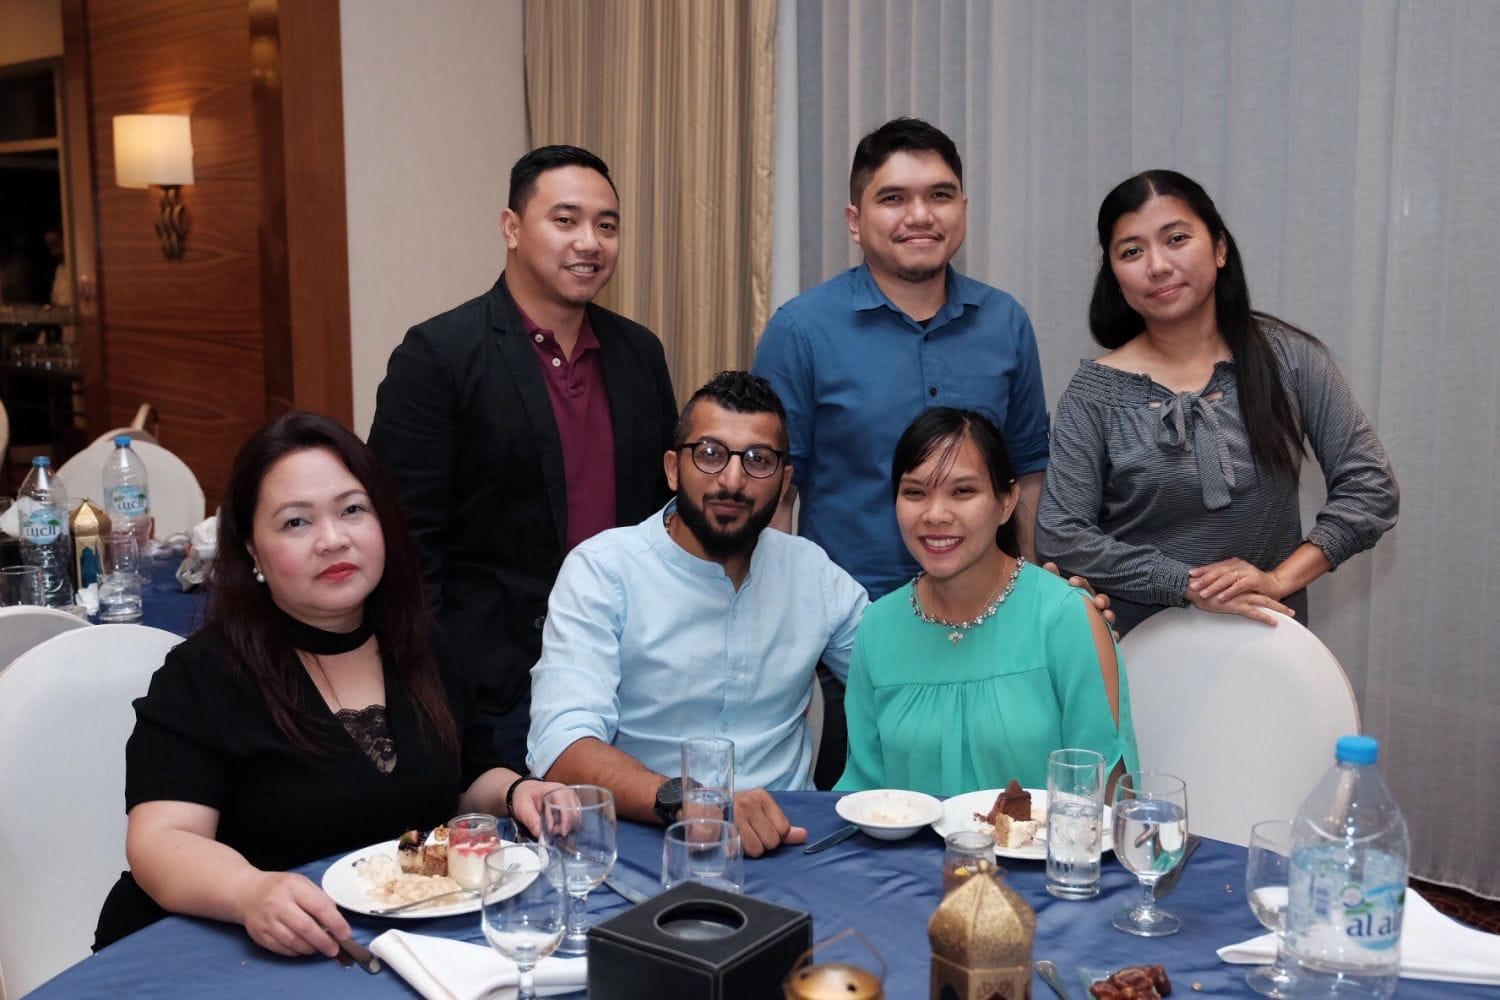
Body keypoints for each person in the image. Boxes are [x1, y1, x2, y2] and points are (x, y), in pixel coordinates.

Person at [94, 413, 561, 956]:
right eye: (296, 522)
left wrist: (517, 792)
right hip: (219, 948)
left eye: (352, 510)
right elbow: (162, 841)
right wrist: (248, 892)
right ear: (251, 549)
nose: (333, 540)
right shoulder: (203, 674)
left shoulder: (423, 643)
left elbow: (468, 775)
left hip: (388, 940)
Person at [752, 117, 1059, 786]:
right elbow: (776, 495)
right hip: (850, 639)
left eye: (939, 195)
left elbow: (1027, 477)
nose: (920, 215)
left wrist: (1036, 601)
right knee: (865, 814)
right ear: (854, 219)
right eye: (893, 198)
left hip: (991, 627)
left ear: (963, 210)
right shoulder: (801, 330)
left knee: (999, 808)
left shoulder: (1005, 322)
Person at [368, 145, 678, 766]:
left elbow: (660, 514)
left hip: (626, 674)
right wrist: (435, 685)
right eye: (565, 220)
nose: (589, 242)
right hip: (493, 687)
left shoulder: (639, 353)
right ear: (512, 228)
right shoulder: (438, 357)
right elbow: (405, 545)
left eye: (607, 225)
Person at [1036, 170, 1399, 635]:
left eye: (1176, 239)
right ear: (1115, 276)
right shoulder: (1094, 394)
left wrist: (1278, 580)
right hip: (1137, 648)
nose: (1157, 265)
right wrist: (1184, 584)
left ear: (1220, 248)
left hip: (1267, 642)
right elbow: (1061, 536)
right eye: (1132, 251)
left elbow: (1371, 488)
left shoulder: (1288, 359)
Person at [527, 372, 867, 856]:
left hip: (790, 844)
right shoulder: (603, 570)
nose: (732, 481)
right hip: (642, 843)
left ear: (784, 482)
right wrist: (686, 802)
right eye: (710, 454)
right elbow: (562, 746)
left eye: (758, 460)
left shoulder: (811, 572)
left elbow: (896, 678)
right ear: (673, 468)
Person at [836, 408, 1135, 796]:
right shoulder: (879, 626)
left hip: (1045, 838)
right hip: (910, 840)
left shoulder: (1065, 617)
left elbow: (1103, 794)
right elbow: (864, 792)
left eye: (962, 491)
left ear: (1006, 502)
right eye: (915, 493)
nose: (935, 514)